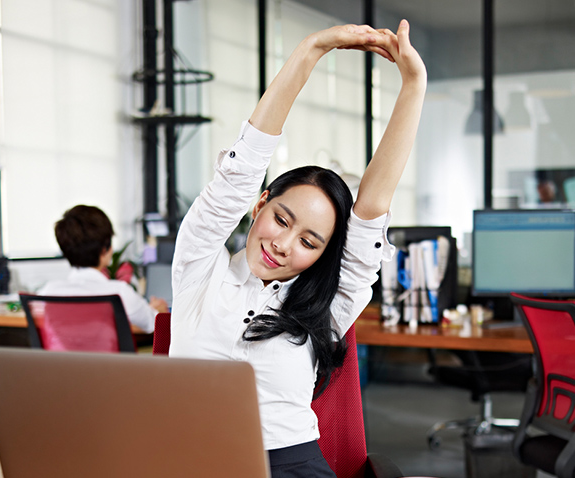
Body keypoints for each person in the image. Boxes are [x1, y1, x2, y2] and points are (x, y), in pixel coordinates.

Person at [170, 20, 426, 476]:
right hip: (190, 460)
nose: (283, 245)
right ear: (260, 205)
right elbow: (240, 172)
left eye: (309, 241)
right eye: (281, 220)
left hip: (290, 465)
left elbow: (371, 208)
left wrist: (413, 85)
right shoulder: (199, 268)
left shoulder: (329, 305)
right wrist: (314, 47)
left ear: (324, 253)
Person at [40, 205, 168, 333]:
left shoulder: (48, 293)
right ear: (105, 249)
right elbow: (154, 323)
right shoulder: (119, 293)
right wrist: (158, 310)